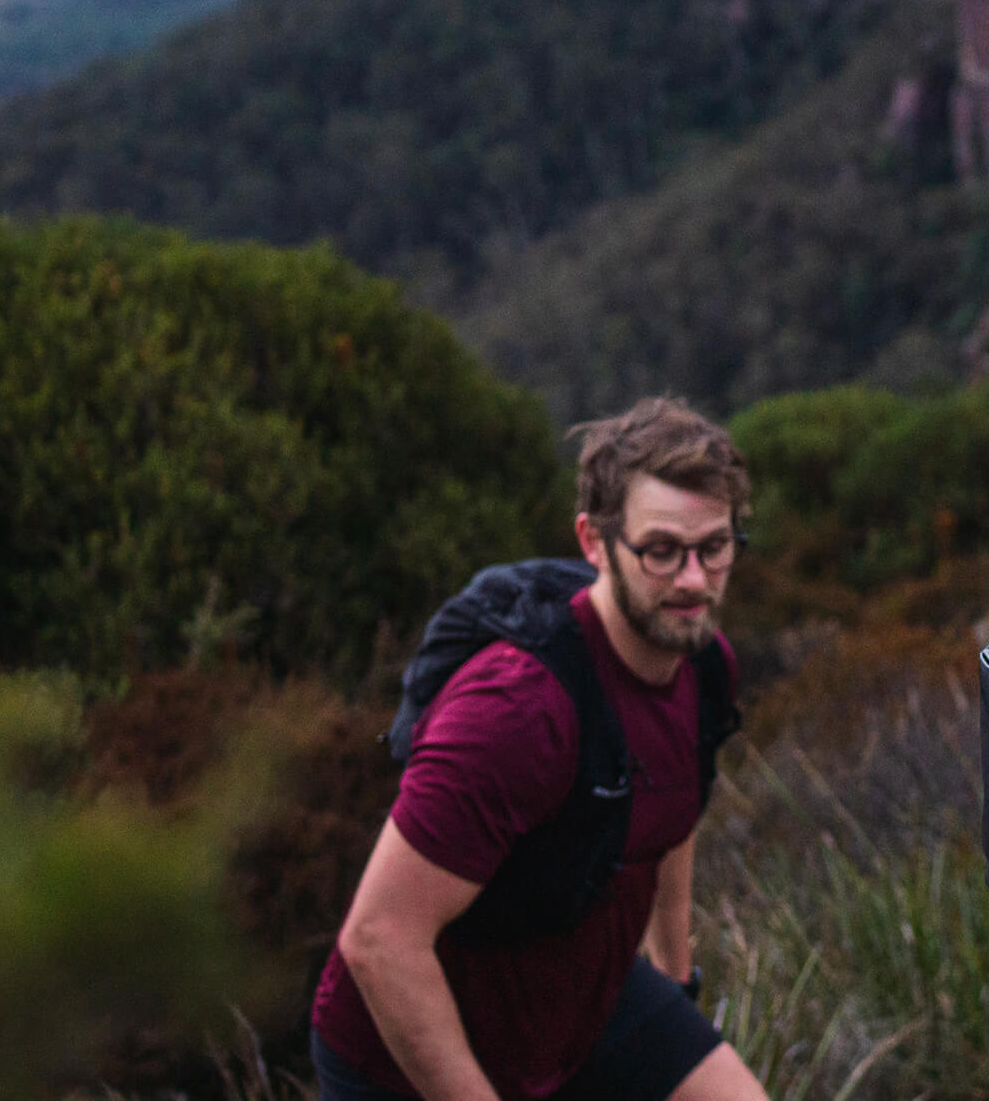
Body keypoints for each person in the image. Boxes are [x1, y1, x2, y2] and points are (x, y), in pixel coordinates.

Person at [310, 397, 771, 1101]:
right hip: (409, 1049)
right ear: (594, 542)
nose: (692, 581)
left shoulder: (703, 666)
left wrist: (676, 985)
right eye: (661, 551)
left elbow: (669, 811)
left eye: (714, 547)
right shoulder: (519, 712)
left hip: (584, 995)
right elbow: (378, 939)